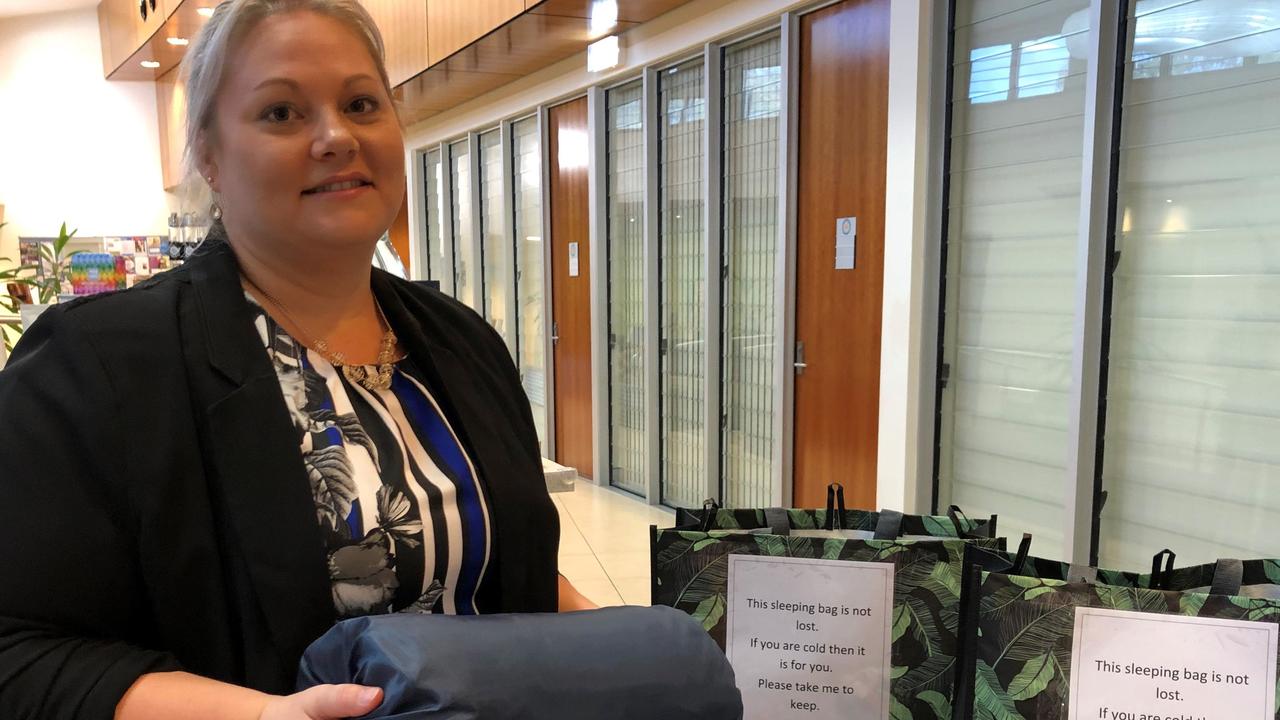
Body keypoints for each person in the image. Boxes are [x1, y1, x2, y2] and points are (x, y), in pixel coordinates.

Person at [0, 1, 594, 718]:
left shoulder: (461, 341)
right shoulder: (98, 365)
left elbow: (514, 568)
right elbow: (21, 651)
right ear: (210, 155)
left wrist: (642, 650)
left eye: (361, 103)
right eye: (282, 113)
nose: (336, 136)